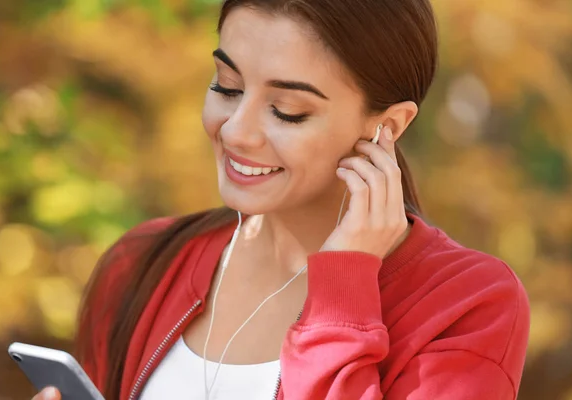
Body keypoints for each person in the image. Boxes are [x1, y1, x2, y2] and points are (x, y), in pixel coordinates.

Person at [32, 0, 530, 399]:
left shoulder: (467, 307)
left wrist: (342, 294)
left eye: (287, 110)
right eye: (226, 87)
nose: (236, 130)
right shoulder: (142, 265)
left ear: (388, 127)